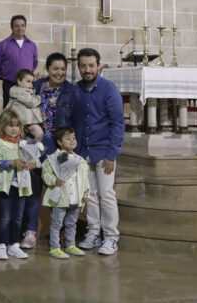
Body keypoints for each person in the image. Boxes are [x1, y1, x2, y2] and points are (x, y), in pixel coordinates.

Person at [22, 52, 81, 249]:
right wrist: (29, 127)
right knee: (34, 187)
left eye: (63, 69)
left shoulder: (71, 91)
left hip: (58, 146)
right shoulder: (37, 86)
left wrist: (70, 145)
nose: (59, 72)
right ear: (47, 69)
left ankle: (62, 231)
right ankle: (30, 231)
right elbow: (22, 108)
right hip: (34, 143)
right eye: (55, 68)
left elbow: (75, 122)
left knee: (60, 188)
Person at [72, 48, 125, 256]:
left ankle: (111, 237)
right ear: (78, 67)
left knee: (106, 194)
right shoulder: (75, 90)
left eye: (91, 65)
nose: (87, 70)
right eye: (83, 66)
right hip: (83, 151)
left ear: (98, 66)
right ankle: (93, 232)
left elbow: (118, 123)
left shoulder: (109, 89)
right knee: (89, 195)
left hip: (104, 152)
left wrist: (112, 153)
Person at [0, 109, 34, 260]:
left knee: (18, 217)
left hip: (21, 186)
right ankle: (2, 245)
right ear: (3, 126)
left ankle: (14, 245)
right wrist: (12, 162)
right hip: (6, 186)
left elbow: (32, 160)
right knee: (5, 217)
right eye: (10, 125)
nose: (14, 128)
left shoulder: (24, 144)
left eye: (17, 125)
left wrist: (31, 164)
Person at [42, 127, 90, 260]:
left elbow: (84, 179)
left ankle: (70, 244)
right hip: (61, 197)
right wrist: (54, 180)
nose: (72, 141)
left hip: (75, 197)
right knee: (57, 223)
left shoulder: (80, 160)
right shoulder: (53, 159)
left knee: (71, 223)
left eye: (73, 138)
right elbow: (45, 174)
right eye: (67, 139)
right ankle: (54, 247)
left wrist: (85, 194)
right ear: (59, 142)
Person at [0, 15, 39, 108]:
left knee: (26, 111)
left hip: (26, 86)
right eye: (17, 26)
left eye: (22, 25)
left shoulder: (32, 45)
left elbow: (35, 63)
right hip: (9, 84)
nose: (20, 28)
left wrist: (27, 77)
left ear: (25, 27)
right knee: (9, 112)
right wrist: (5, 76)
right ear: (12, 28)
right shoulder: (3, 45)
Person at [5, 69, 44, 140]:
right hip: (21, 120)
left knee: (38, 133)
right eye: (28, 81)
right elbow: (31, 102)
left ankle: (33, 148)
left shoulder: (25, 90)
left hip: (28, 120)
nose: (30, 84)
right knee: (21, 138)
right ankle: (31, 148)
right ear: (19, 81)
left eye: (32, 82)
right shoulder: (19, 91)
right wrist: (39, 98)